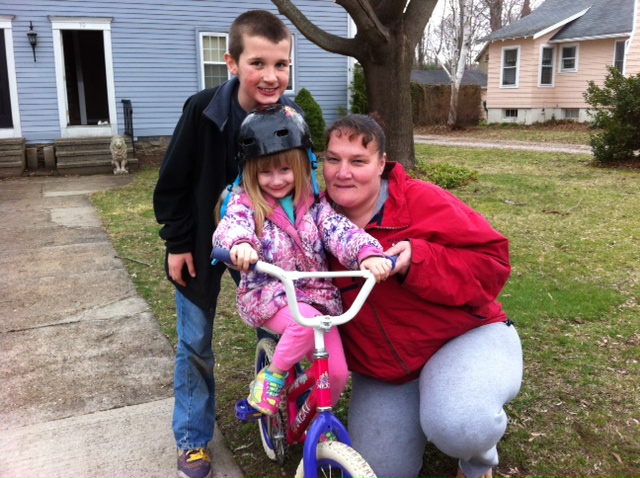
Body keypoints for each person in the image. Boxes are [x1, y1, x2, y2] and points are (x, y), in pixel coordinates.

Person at [322, 114, 524, 478]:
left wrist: (421, 259)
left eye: (358, 161)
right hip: (387, 372)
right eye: (333, 159)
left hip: (464, 338)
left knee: (462, 424)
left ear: (382, 164)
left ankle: (477, 461)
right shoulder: (315, 221)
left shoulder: (421, 200)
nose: (343, 172)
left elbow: (494, 263)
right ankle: (428, 409)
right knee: (379, 471)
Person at [153, 10, 300, 478]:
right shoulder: (202, 111)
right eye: (258, 63)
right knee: (195, 342)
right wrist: (178, 244)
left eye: (281, 65)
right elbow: (172, 184)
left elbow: (304, 188)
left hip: (265, 248)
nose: (271, 76)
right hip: (202, 242)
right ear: (232, 63)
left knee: (278, 333)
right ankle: (193, 439)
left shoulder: (290, 120)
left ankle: (273, 409)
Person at [212, 104, 392, 415]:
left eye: (285, 169)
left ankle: (311, 422)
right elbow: (233, 226)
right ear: (251, 171)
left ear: (302, 166)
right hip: (269, 294)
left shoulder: (315, 205)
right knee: (302, 325)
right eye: (265, 171)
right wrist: (240, 245)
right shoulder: (246, 203)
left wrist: (367, 253)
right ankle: (271, 378)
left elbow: (341, 231)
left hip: (318, 298)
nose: (276, 179)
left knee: (336, 374)